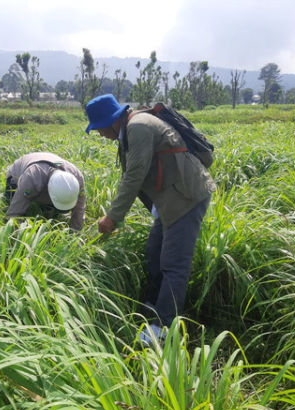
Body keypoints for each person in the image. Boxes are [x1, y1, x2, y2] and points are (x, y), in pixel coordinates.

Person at [85, 94, 216, 345]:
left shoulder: (139, 127)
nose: (100, 135)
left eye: (99, 129)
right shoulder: (131, 129)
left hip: (187, 197)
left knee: (173, 264)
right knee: (154, 250)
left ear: (110, 121)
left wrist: (112, 217)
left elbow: (135, 174)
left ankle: (163, 328)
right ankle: (153, 306)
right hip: (171, 199)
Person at [5, 151, 86, 231]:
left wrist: (75, 233)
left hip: (46, 170)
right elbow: (14, 214)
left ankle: (48, 206)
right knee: (12, 201)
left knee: (50, 213)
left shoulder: (77, 178)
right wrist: (18, 236)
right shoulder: (32, 178)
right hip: (18, 173)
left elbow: (79, 209)